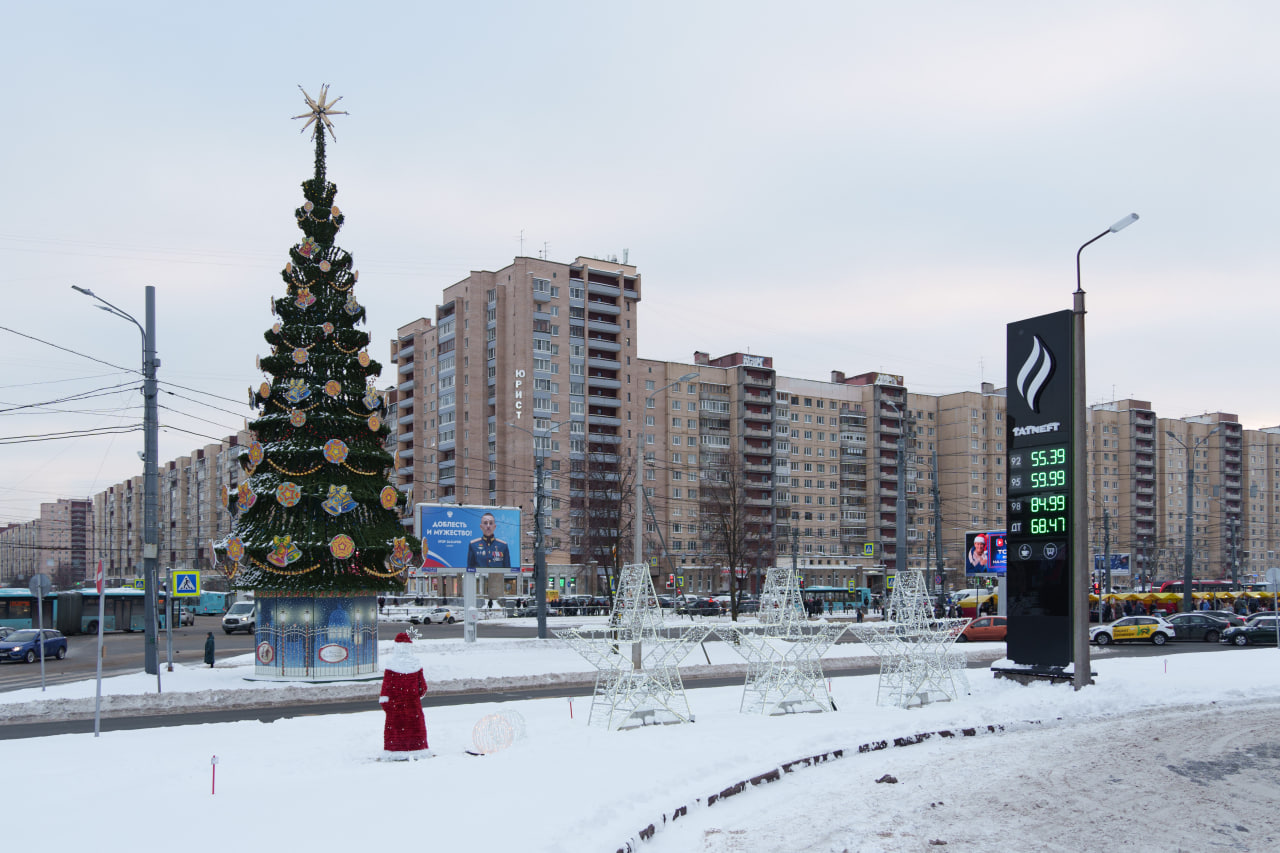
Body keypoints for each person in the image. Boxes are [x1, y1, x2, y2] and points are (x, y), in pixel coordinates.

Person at [380, 632, 428, 756]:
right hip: (413, 707)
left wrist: (387, 704)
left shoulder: (391, 664)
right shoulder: (415, 664)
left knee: (395, 731)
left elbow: (386, 688)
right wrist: (415, 695)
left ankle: (395, 752)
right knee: (415, 730)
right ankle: (417, 750)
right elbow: (422, 688)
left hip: (396, 707)